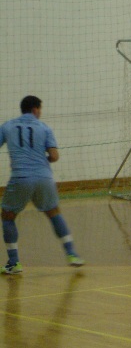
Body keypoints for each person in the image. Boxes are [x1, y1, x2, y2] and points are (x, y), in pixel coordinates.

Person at [0, 96, 85, 274]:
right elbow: (54, 156)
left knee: (8, 216)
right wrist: (40, 162)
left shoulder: (7, 126)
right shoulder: (44, 127)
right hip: (44, 178)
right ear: (35, 109)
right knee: (53, 213)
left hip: (21, 177)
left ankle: (14, 262)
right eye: (40, 109)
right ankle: (71, 253)